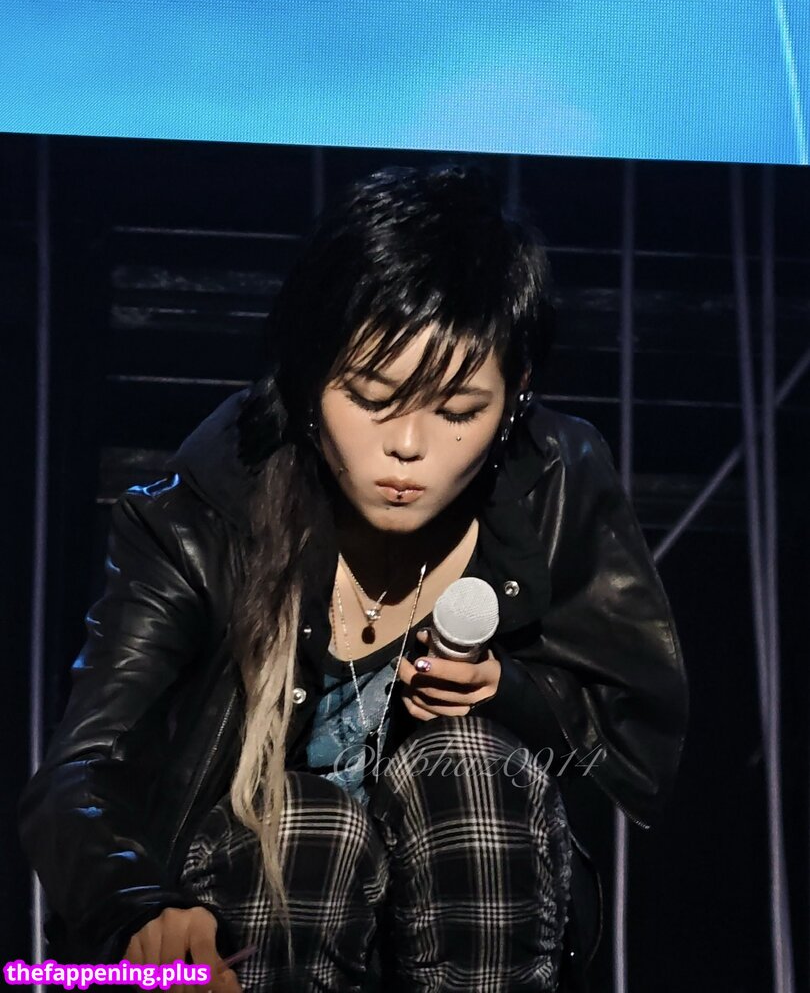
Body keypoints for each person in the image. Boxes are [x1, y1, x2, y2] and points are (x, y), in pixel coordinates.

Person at [19, 162, 689, 993]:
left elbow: (630, 759)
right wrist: (141, 909)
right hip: (252, 913)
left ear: (516, 399)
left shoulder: (556, 485)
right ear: (307, 380)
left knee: (465, 768)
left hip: (483, 906)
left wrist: (510, 693)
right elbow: (82, 773)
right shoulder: (204, 513)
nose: (407, 446)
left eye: (458, 411)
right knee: (306, 823)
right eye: (372, 397)